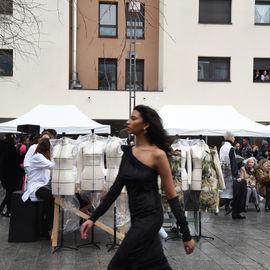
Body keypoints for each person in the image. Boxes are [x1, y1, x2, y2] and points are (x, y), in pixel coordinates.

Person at [80, 105, 195, 269]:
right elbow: (114, 190)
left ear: (146, 124)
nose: (128, 121)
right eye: (129, 118)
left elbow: (171, 196)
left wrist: (186, 234)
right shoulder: (128, 153)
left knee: (116, 266)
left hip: (151, 217)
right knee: (154, 263)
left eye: (133, 118)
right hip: (137, 218)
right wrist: (92, 218)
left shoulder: (158, 155)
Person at [21, 138, 55, 238]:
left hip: (42, 185)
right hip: (35, 187)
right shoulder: (38, 157)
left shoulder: (42, 157)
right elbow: (52, 165)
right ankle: (45, 227)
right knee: (51, 197)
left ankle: (46, 226)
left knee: (52, 201)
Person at [219, 131, 247, 219]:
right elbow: (233, 162)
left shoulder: (222, 147)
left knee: (226, 194)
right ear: (230, 137)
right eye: (234, 137)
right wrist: (237, 176)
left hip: (223, 174)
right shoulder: (230, 148)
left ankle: (234, 211)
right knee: (232, 194)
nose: (234, 139)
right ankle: (216, 205)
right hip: (230, 175)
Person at [0, 134, 24, 217]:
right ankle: (7, 210)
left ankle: (5, 210)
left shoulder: (4, 149)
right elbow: (16, 161)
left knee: (9, 193)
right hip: (12, 176)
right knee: (10, 194)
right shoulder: (11, 150)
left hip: (6, 175)